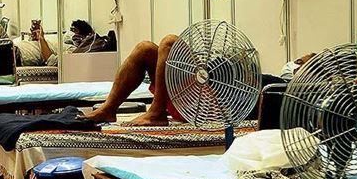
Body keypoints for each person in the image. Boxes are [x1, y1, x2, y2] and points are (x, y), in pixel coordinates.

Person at [81, 35, 313, 126]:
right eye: (298, 60)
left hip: (212, 106)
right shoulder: (281, 75)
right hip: (198, 94)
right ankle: (108, 110)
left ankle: (156, 113)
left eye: (303, 62)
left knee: (170, 43)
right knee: (144, 48)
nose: (297, 61)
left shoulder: (285, 88)